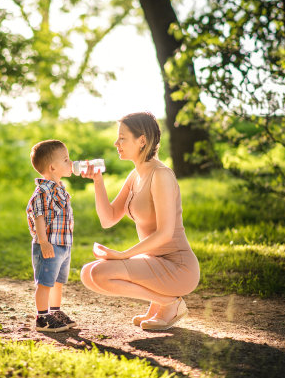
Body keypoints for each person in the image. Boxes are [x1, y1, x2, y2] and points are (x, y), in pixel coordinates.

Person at [80, 112, 200, 330]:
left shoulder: (161, 175)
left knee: (98, 273)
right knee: (88, 274)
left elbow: (165, 234)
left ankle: (170, 302)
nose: (116, 143)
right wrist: (98, 181)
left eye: (122, 138)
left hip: (178, 267)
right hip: (153, 262)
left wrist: (124, 255)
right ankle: (163, 300)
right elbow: (108, 219)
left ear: (142, 140)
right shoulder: (135, 176)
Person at [26, 139, 77, 332]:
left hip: (63, 244)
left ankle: (55, 311)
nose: (70, 163)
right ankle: (42, 317)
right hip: (49, 244)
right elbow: (38, 217)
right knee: (45, 282)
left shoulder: (60, 189)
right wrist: (44, 242)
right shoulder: (42, 192)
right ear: (52, 167)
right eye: (66, 160)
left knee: (57, 281)